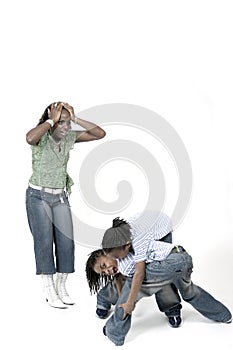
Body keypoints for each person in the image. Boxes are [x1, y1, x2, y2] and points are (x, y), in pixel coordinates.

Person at [100, 210, 232, 346]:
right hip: (182, 257)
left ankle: (115, 331)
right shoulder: (123, 236)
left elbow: (139, 274)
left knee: (134, 282)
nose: (117, 260)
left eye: (116, 256)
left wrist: (129, 303)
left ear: (127, 244)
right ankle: (224, 315)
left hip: (165, 242)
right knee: (189, 291)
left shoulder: (139, 238)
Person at [26, 101, 106, 308]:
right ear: (50, 122)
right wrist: (51, 120)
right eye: (61, 123)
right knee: (44, 242)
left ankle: (61, 286)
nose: (65, 127)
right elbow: (29, 138)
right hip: (38, 197)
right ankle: (48, 288)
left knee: (66, 242)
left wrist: (76, 118)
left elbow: (100, 134)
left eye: (67, 123)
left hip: (60, 197)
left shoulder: (69, 137)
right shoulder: (41, 137)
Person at [86, 249, 182, 326]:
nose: (107, 271)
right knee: (116, 287)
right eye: (103, 273)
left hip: (151, 268)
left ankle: (172, 307)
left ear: (107, 253)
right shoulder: (118, 269)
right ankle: (103, 299)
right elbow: (118, 280)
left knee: (164, 280)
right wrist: (122, 299)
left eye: (104, 265)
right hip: (128, 276)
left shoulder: (128, 249)